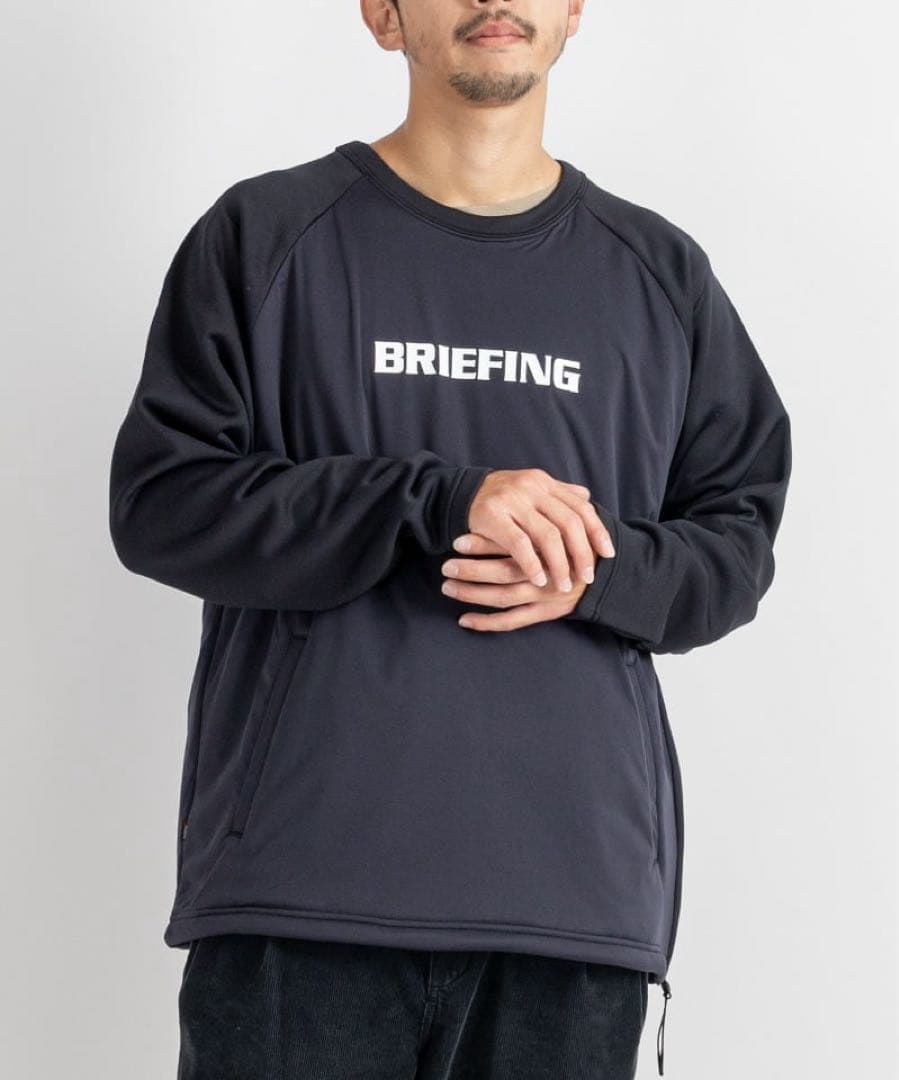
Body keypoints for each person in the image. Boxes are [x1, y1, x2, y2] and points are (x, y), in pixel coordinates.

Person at [108, 1, 792, 1076]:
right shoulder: (266, 234)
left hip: (570, 906)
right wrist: (430, 500)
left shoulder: (658, 274)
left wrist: (587, 566)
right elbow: (163, 503)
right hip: (302, 890)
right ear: (382, 14)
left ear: (573, 12)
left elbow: (736, 542)